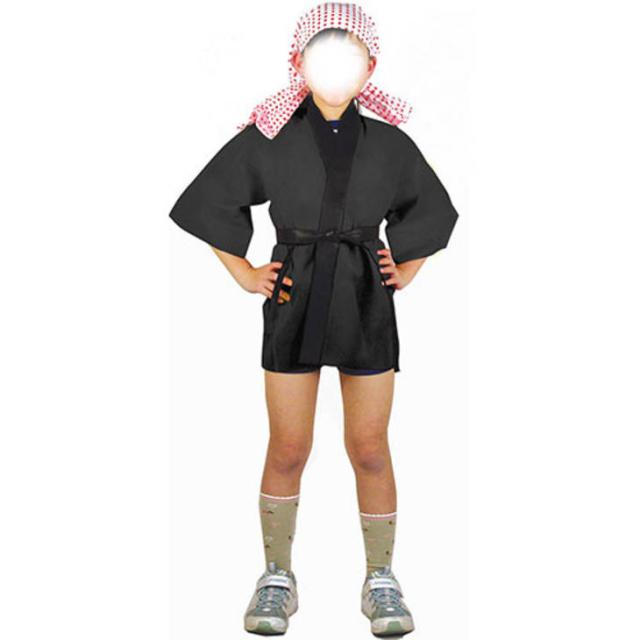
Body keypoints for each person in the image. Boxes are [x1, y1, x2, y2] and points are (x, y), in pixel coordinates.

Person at [169, 3, 458, 636]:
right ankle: (277, 576)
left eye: (350, 54)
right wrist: (245, 272)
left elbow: (433, 211)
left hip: (364, 295)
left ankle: (381, 578)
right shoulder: (270, 135)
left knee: (370, 448)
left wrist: (407, 267)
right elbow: (210, 197)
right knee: (288, 446)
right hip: (293, 294)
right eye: (322, 53)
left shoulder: (391, 144)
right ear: (298, 61)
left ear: (370, 67)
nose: (335, 67)